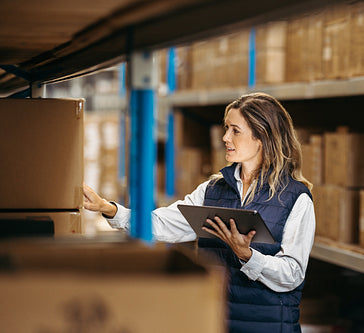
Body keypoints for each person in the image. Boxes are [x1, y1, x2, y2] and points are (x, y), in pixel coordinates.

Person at [83, 92, 316, 333]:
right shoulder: (213, 190)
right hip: (214, 323)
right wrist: (110, 210)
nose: (225, 137)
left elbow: (293, 274)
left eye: (235, 130)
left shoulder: (295, 199)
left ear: (262, 137)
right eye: (226, 128)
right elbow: (163, 225)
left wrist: (248, 255)